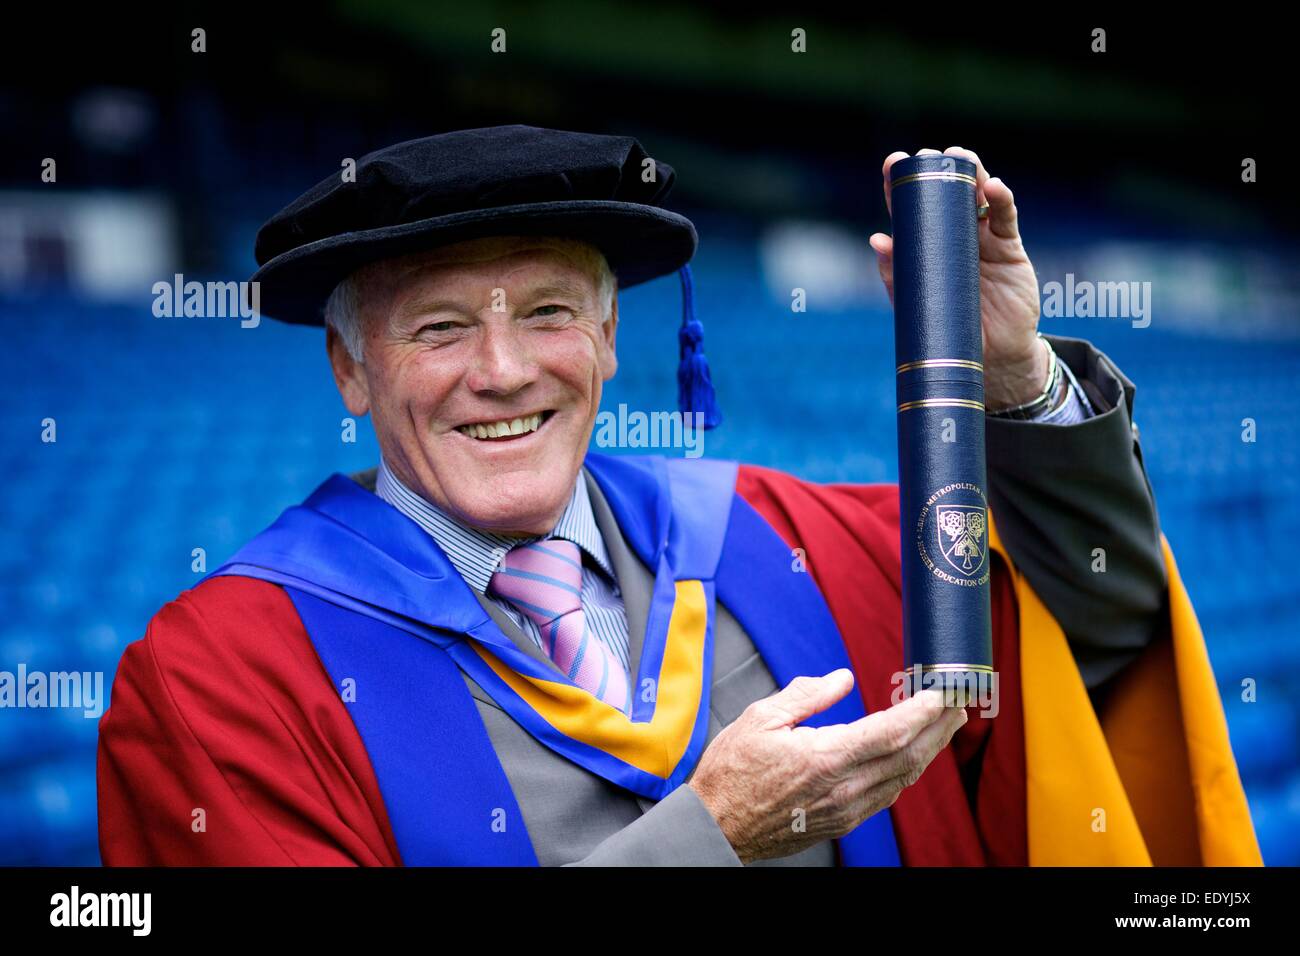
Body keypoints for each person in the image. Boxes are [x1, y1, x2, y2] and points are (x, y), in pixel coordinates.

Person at [97, 125, 1260, 866]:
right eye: (439, 328)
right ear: (351, 369)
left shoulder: (785, 542)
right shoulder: (223, 680)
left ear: (607, 338)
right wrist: (708, 839)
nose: (502, 370)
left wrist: (1007, 380)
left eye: (549, 312)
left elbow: (1098, 633)